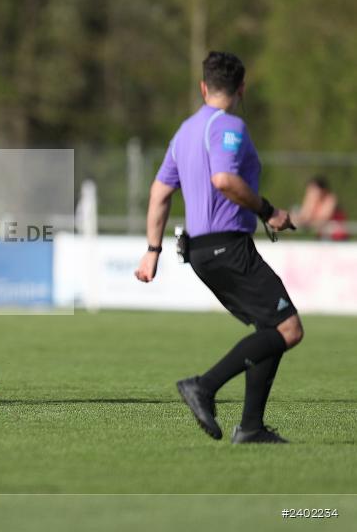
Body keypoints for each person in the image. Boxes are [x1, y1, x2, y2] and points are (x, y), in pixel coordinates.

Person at [134, 51, 304, 444]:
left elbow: (160, 191)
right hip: (227, 246)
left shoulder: (184, 132)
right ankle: (204, 387)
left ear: (203, 86)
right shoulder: (229, 126)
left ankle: (251, 427)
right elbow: (224, 179)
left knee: (271, 327)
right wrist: (270, 211)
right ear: (242, 88)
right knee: (289, 329)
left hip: (199, 251)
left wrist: (152, 249)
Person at [292, 176, 348, 241]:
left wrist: (306, 221)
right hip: (323, 236)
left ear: (322, 190)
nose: (310, 192)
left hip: (336, 238)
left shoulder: (330, 199)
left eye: (312, 189)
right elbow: (304, 216)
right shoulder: (312, 200)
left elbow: (323, 219)